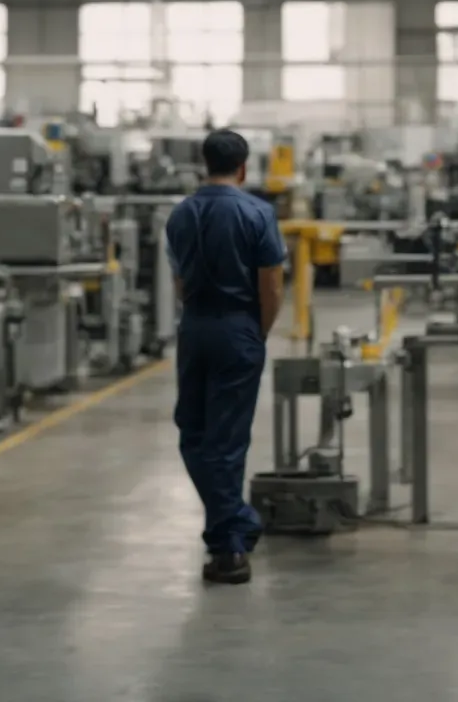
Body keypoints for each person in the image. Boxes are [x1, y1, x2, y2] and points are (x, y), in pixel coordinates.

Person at [166, 129, 288, 585]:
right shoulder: (257, 213)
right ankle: (235, 535)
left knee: (192, 432)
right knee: (225, 440)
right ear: (243, 167)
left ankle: (225, 538)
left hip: (195, 327)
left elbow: (178, 281)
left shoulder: (180, 215)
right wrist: (257, 333)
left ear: (204, 163)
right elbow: (272, 286)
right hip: (239, 328)